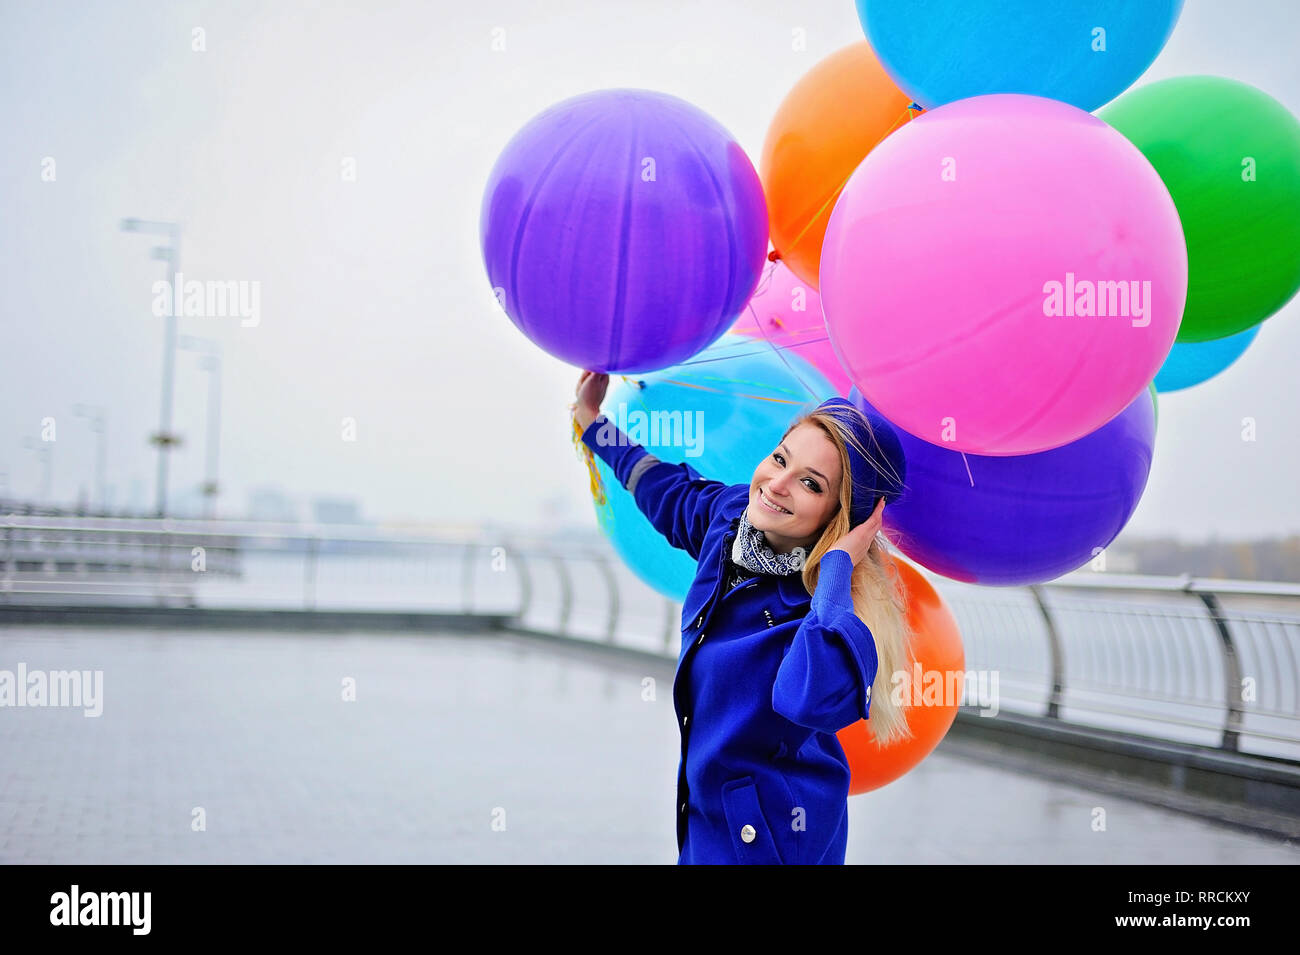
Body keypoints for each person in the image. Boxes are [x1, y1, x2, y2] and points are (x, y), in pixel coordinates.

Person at [571, 369, 916, 865]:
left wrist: (839, 563)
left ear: (837, 517)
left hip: (772, 842)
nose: (776, 484)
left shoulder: (828, 612)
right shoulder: (729, 520)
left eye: (810, 484)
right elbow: (659, 484)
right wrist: (591, 422)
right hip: (706, 825)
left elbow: (807, 697)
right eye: (780, 458)